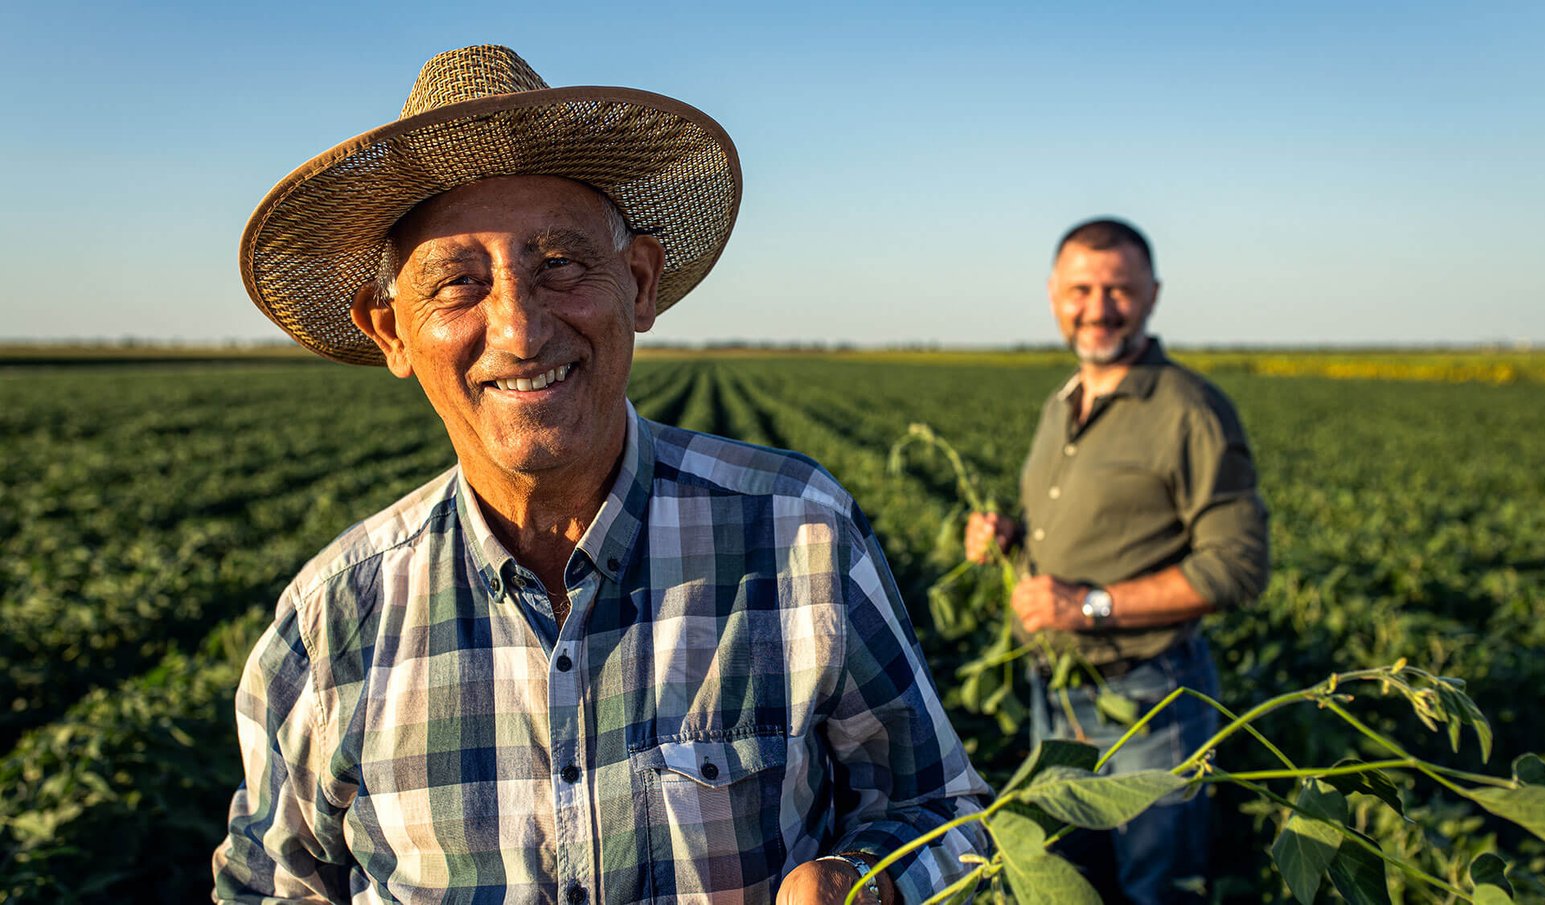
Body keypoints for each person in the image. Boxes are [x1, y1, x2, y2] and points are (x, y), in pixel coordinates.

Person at [214, 45, 989, 905]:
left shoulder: (798, 531)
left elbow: (939, 809)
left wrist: (870, 884)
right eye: (458, 284)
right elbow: (268, 885)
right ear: (389, 331)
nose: (518, 328)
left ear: (640, 282)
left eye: (560, 264)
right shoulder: (333, 620)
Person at [965, 219, 1270, 904]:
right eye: (1081, 289)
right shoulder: (1064, 401)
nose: (1098, 307)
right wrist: (1009, 537)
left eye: (1119, 289)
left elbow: (1239, 566)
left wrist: (1087, 605)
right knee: (1073, 883)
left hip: (1149, 702)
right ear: (1052, 294)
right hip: (1058, 696)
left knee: (1155, 890)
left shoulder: (1190, 410)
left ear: (1153, 294)